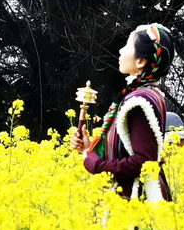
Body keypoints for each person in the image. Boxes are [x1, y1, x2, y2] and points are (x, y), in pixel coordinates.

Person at [72, 23, 177, 201]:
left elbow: (143, 162)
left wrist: (94, 164)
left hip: (134, 203)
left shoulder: (139, 101)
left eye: (127, 46)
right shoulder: (147, 94)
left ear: (140, 61)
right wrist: (87, 149)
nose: (120, 51)